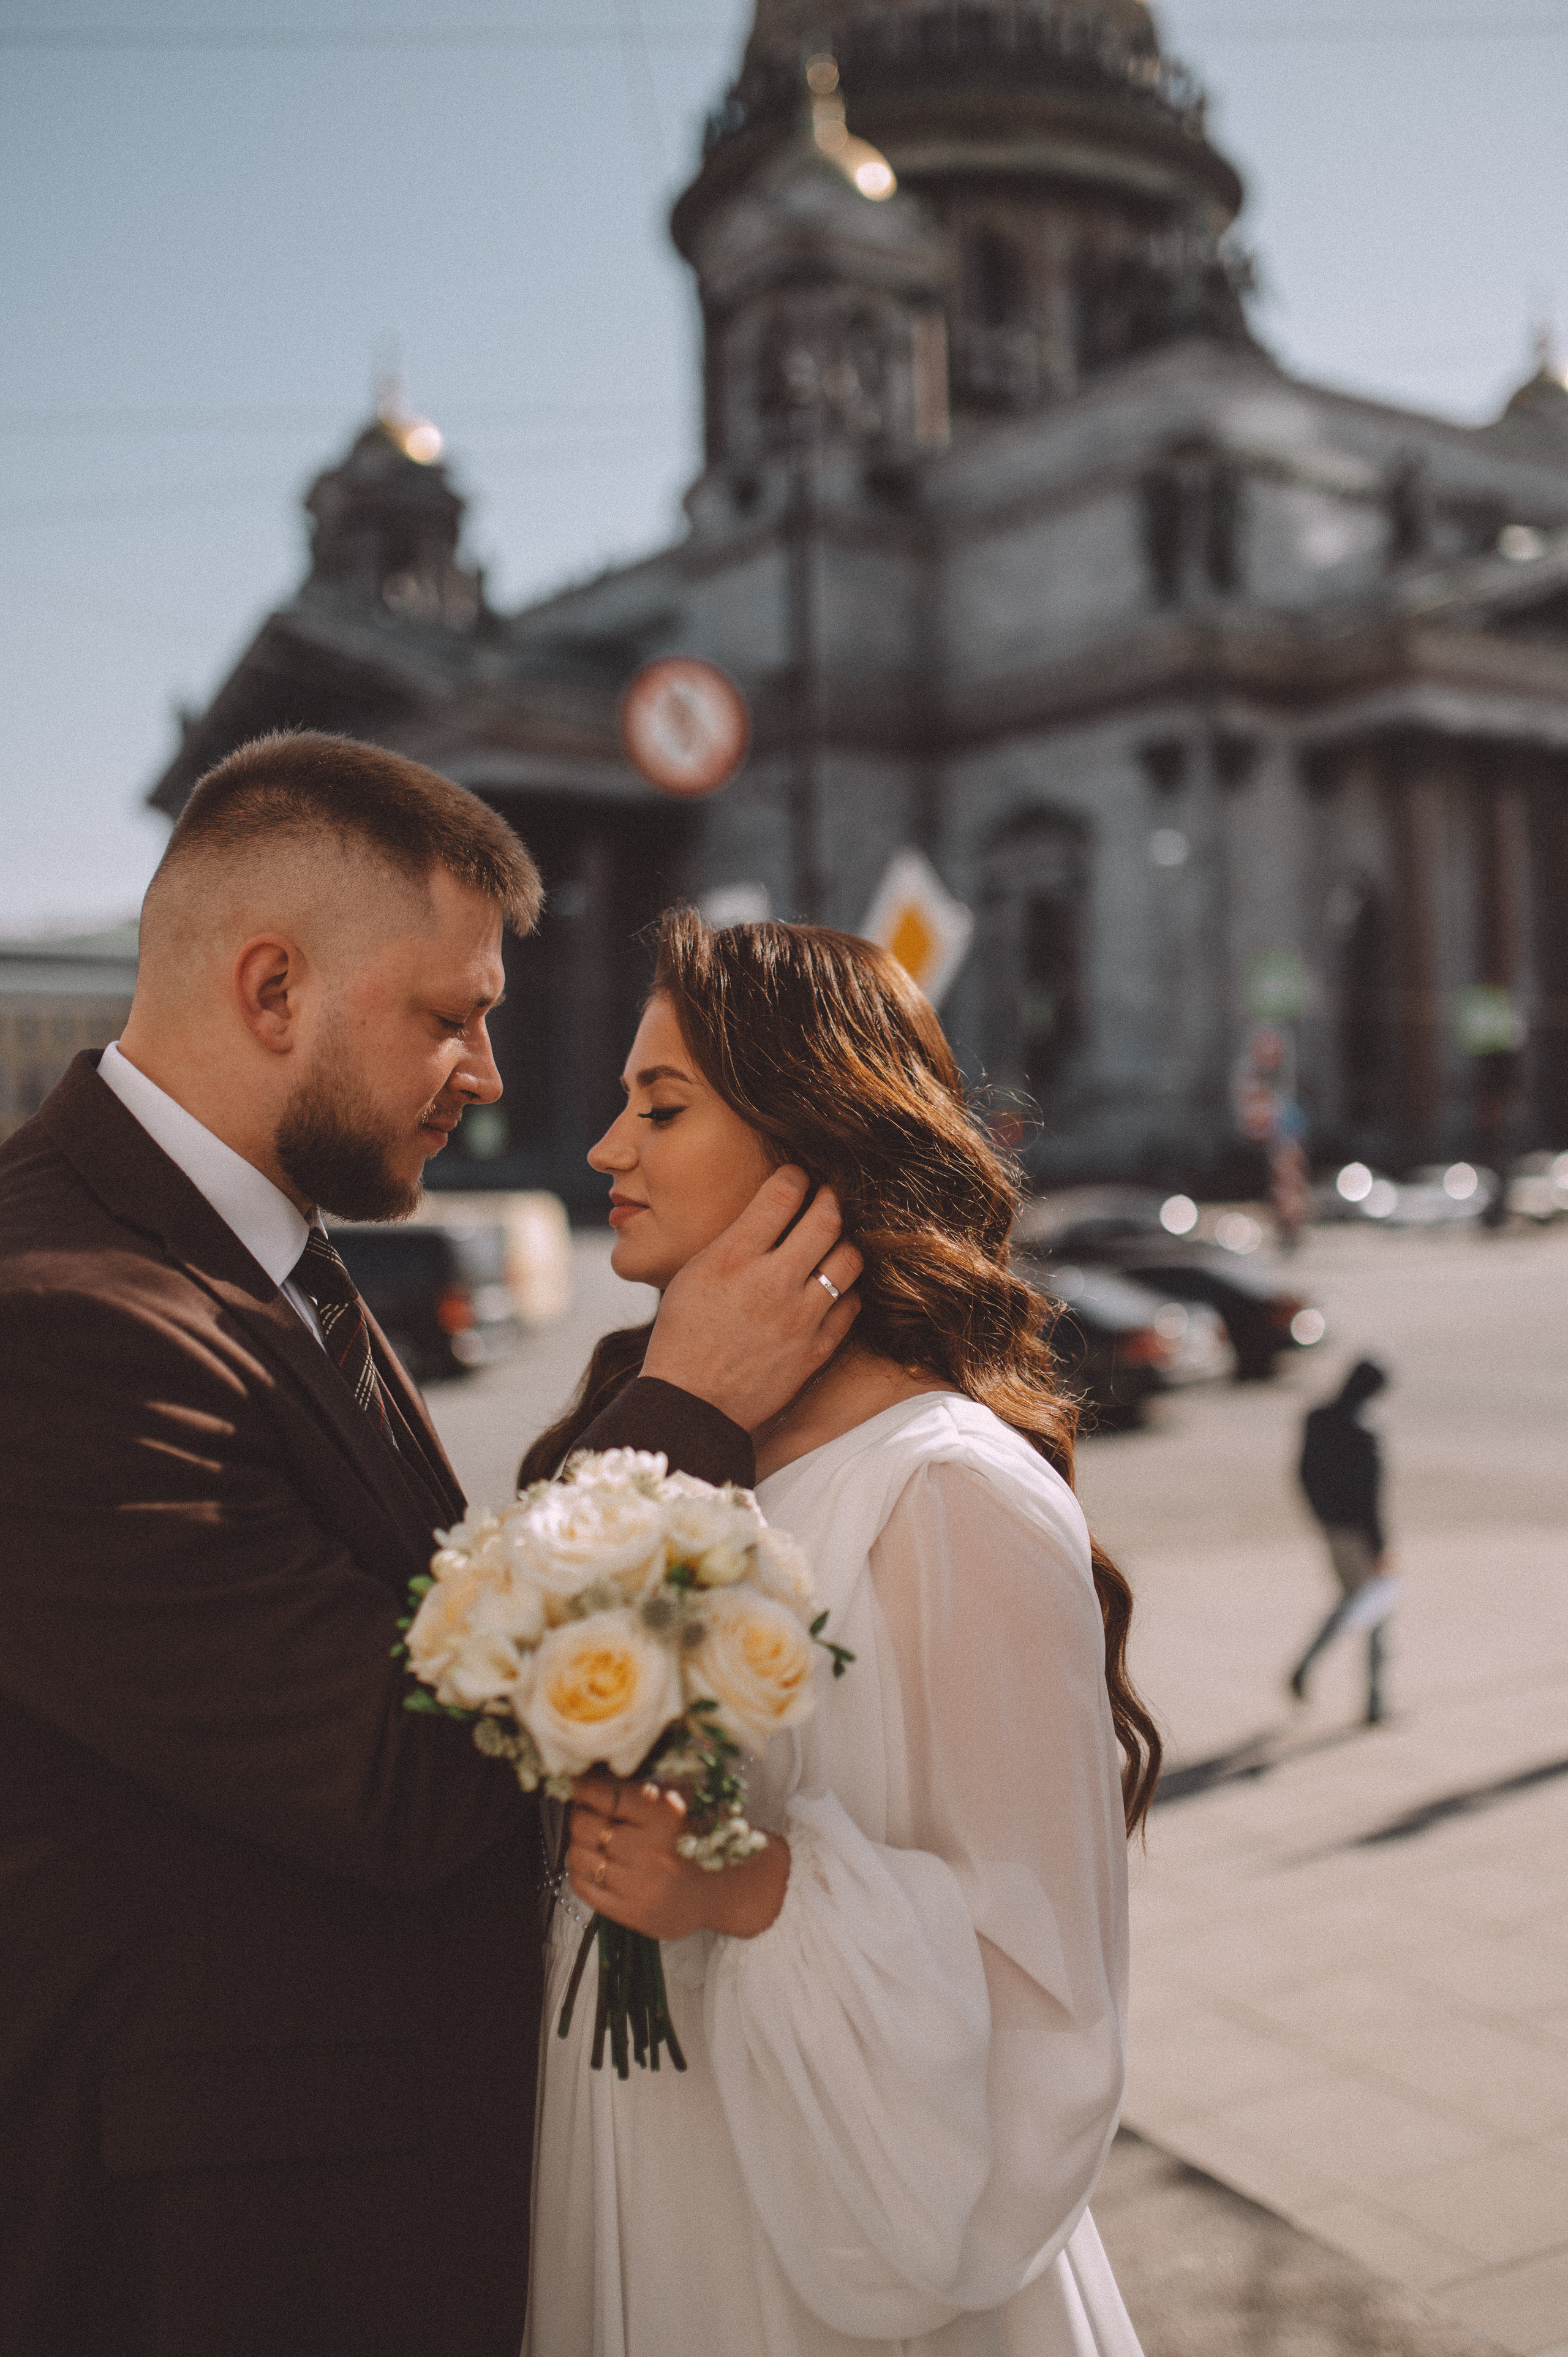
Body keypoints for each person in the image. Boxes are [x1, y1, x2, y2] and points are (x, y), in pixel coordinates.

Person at [0, 733, 861, 2357]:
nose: (487, 1072)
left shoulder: (257, 1256)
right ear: (273, 988)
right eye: (450, 1013)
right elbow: (397, 1772)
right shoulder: (55, 1314)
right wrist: (683, 1408)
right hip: (229, 2258)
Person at [522, 910, 1160, 2357]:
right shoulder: (658, 1437)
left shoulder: (948, 1491)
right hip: (626, 2169)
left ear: (808, 1132)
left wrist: (746, 1892)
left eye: (658, 1104)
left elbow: (1044, 1987)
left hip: (823, 2244)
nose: (605, 1150)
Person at [1288, 1358, 1396, 1723]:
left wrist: (1321, 1517)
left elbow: (1302, 1473)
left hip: (1332, 1528)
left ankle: (1309, 1665)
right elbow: (1371, 1499)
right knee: (1374, 1610)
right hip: (1360, 1534)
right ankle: (1375, 1702)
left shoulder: (1317, 1417)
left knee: (1353, 1601)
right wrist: (1382, 1547)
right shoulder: (1365, 1431)